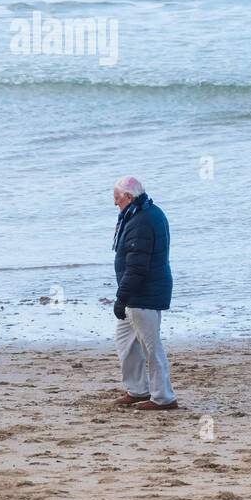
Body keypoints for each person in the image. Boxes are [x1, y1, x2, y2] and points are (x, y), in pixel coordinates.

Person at [110, 176, 177, 410]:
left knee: (151, 347)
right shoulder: (141, 213)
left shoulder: (143, 219)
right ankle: (138, 390)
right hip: (136, 293)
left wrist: (121, 298)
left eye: (117, 199)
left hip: (145, 293)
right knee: (125, 343)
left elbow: (137, 266)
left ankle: (164, 398)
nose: (115, 204)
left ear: (129, 197)